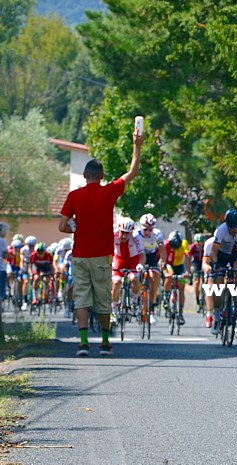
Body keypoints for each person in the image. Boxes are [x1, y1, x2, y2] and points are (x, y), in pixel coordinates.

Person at [59, 126, 145, 357]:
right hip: (102, 256)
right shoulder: (108, 192)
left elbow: (62, 226)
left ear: (85, 176)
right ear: (102, 176)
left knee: (82, 300)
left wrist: (74, 227)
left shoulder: (73, 196)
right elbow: (132, 172)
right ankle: (105, 343)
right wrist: (137, 145)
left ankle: (83, 343)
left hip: (79, 256)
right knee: (103, 300)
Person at [110, 218, 146, 322]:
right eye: (122, 232)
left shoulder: (135, 237)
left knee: (134, 278)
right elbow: (106, 251)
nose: (124, 236)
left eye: (127, 233)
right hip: (119, 260)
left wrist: (140, 264)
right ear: (118, 230)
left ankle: (135, 300)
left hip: (133, 261)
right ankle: (115, 308)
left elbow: (142, 255)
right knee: (116, 282)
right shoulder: (113, 235)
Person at [135, 213, 165, 324]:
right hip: (138, 256)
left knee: (154, 276)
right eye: (145, 229)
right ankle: (136, 297)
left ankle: (151, 307)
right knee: (135, 276)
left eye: (150, 230)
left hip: (152, 257)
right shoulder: (136, 234)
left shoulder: (157, 234)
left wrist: (162, 261)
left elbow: (162, 250)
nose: (148, 232)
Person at [162, 230, 190, 325]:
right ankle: (166, 297)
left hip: (180, 267)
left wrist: (187, 271)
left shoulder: (184, 243)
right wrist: (165, 271)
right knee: (169, 276)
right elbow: (162, 259)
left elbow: (188, 257)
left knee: (181, 288)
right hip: (169, 265)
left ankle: (181, 313)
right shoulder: (166, 244)